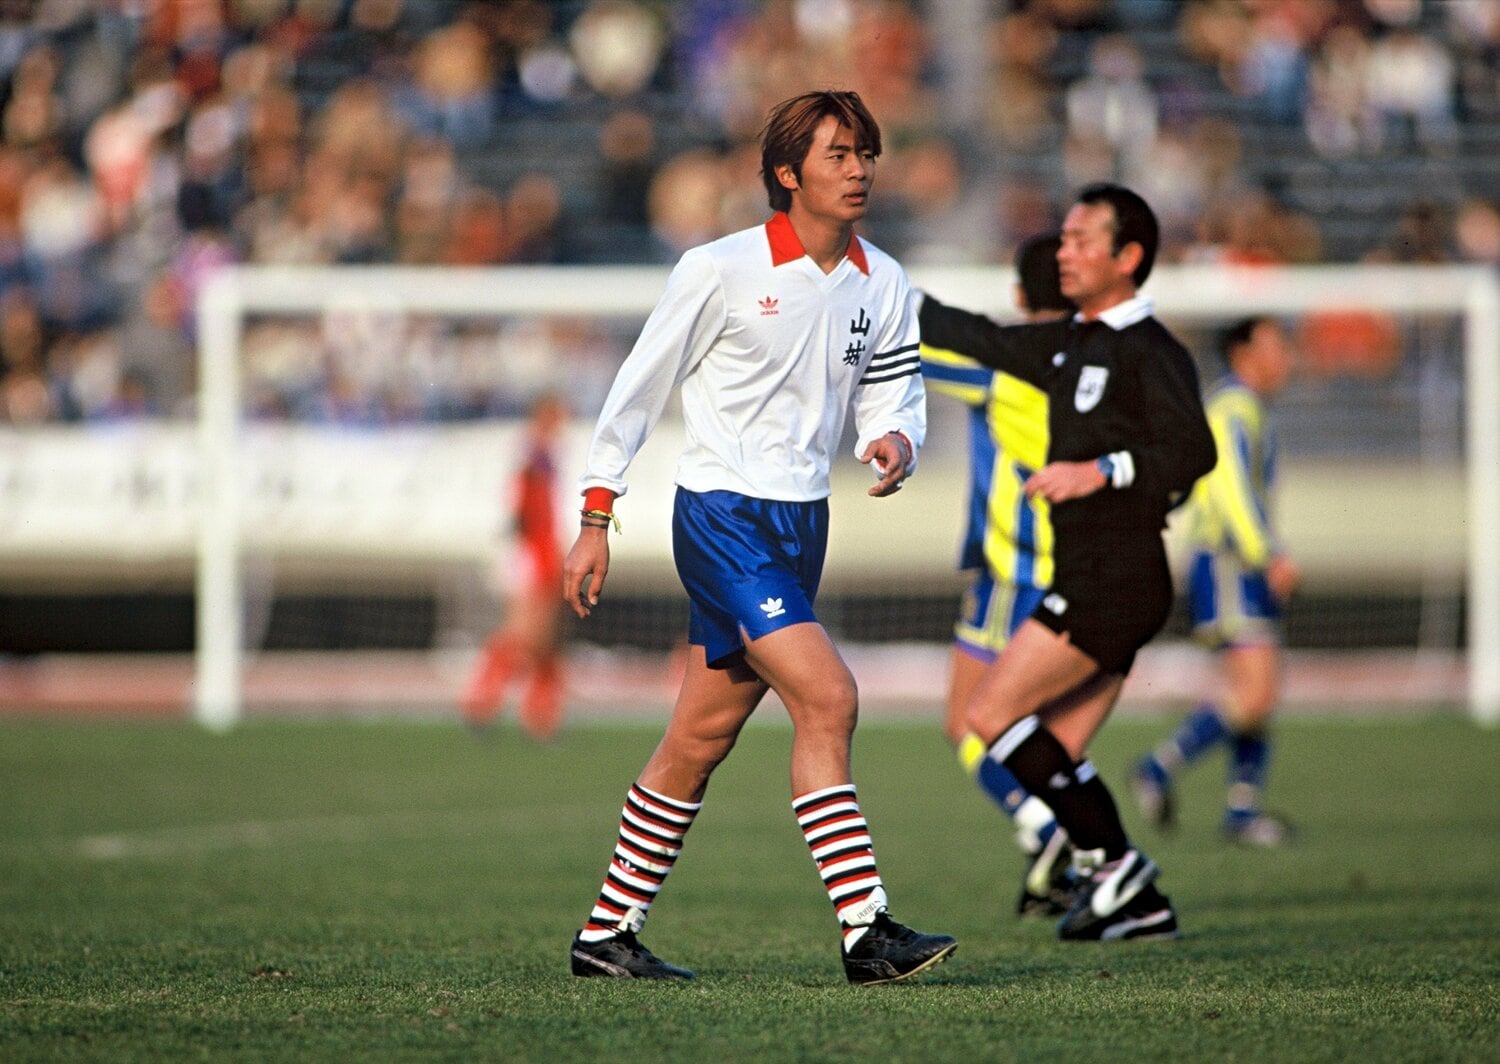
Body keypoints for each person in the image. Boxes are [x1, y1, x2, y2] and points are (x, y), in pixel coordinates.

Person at [562, 90, 956, 984]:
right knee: (829, 697)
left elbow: (893, 391)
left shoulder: (883, 280)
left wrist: (894, 439)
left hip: (802, 520)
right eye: (838, 154)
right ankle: (867, 931)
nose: (858, 169)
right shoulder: (719, 269)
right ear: (788, 174)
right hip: (722, 516)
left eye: (865, 153)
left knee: (700, 739)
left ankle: (605, 933)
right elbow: (636, 392)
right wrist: (596, 518)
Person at [918, 183, 1216, 942]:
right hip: (1097, 579)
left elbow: (1192, 450)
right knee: (1057, 751)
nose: (1066, 252)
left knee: (989, 716)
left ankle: (1117, 866)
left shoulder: (1153, 351)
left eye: (1083, 240)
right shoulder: (1070, 343)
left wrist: (1103, 472)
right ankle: (1127, 889)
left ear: (1129, 257)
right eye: (1064, 239)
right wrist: (863, 276)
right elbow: (974, 335)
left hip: (1113, 580)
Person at [919, 233, 1078, 918]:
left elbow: (911, 346)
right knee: (1046, 733)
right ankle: (1053, 877)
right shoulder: (1101, 360)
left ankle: (1048, 828)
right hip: (1082, 568)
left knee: (970, 725)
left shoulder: (1005, 366)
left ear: (1019, 296)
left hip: (1013, 574)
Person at [1132, 316, 1299, 846]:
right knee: (1254, 693)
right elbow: (1229, 486)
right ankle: (1161, 767)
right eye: (1275, 346)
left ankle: (1242, 810)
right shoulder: (1232, 408)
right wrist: (1264, 552)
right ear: (1243, 352)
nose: (1286, 358)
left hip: (1232, 560)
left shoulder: (1247, 407)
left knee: (1256, 691)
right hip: (1229, 560)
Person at [462, 394, 570, 739]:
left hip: (538, 552)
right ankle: (489, 700)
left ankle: (534, 709)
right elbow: (524, 512)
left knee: (540, 639)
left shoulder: (542, 456)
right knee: (529, 635)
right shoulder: (533, 456)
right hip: (533, 554)